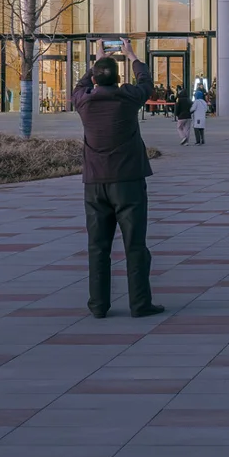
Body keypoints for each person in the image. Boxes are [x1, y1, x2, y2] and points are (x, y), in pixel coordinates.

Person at [71, 42, 163, 319]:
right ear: (120, 79)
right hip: (129, 183)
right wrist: (132, 56)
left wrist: (98, 61)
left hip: (94, 185)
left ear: (95, 79)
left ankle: (98, 305)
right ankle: (140, 303)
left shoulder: (83, 101)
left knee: (98, 248)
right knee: (135, 245)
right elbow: (146, 82)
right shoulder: (127, 98)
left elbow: (79, 85)